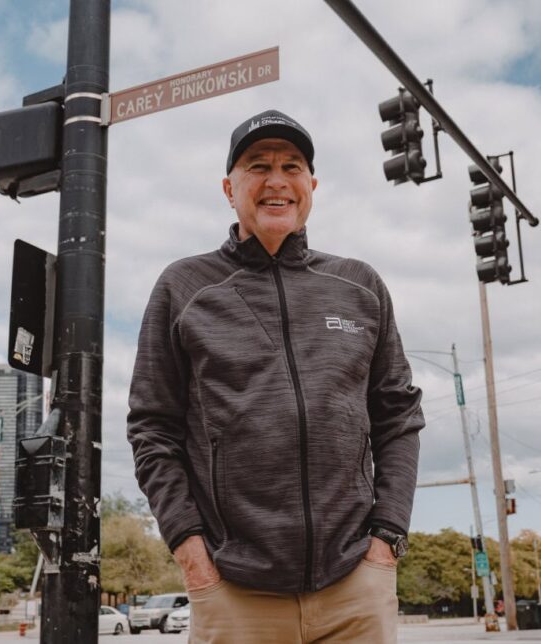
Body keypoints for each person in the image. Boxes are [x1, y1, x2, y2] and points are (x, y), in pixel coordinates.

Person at [127, 109, 424, 643]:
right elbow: (153, 430)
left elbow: (398, 417)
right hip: (235, 592)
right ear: (229, 187)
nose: (276, 181)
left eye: (291, 166)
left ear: (312, 185)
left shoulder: (359, 286)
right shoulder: (183, 287)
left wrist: (387, 539)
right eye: (257, 166)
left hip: (355, 585)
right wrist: (192, 553)